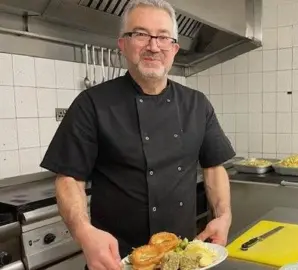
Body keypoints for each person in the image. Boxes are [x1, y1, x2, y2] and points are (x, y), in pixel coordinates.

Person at [40, 0, 236, 269]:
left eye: (163, 37)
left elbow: (214, 166)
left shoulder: (197, 104)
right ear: (122, 44)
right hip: (115, 260)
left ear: (174, 49)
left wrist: (223, 215)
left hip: (180, 259)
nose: (153, 46)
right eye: (140, 34)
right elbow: (69, 178)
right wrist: (84, 232)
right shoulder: (92, 103)